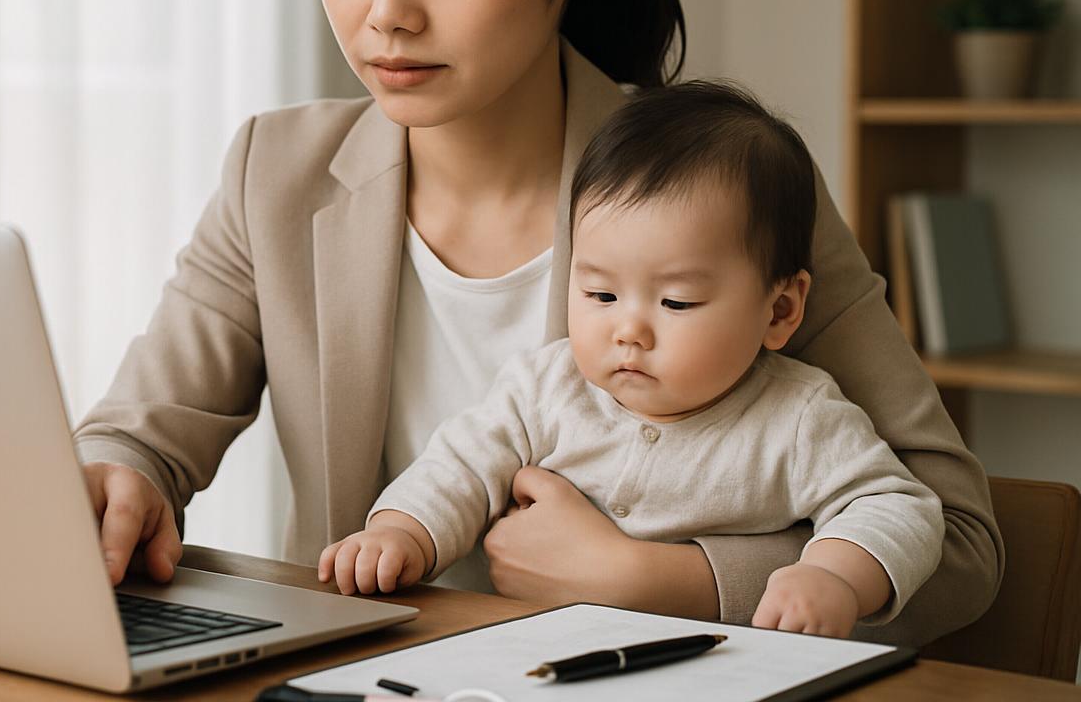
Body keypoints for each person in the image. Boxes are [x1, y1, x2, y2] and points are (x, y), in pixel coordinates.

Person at [73, 0, 1000, 643]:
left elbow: (961, 543)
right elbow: (141, 434)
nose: (386, 12)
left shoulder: (721, 186)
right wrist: (119, 479)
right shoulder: (276, 171)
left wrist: (653, 578)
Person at [317, 82, 944, 638]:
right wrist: (401, 534)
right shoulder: (545, 386)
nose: (629, 331)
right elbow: (457, 468)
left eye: (676, 301)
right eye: (600, 294)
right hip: (531, 659)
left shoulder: (800, 416)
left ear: (779, 311)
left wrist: (836, 574)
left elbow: (898, 506)